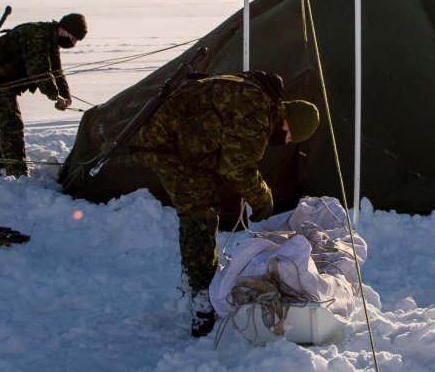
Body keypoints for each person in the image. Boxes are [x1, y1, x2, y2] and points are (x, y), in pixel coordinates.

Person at [134, 71, 320, 338]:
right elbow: (236, 167)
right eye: (291, 137)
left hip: (181, 140)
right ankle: (201, 301)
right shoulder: (258, 115)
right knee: (200, 213)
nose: (286, 142)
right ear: (288, 123)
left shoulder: (258, 100)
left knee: (204, 205)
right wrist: (261, 197)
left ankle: (196, 281)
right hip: (166, 143)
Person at [0, 13, 86, 177]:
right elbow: (39, 71)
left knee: (6, 123)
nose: (73, 43)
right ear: (64, 29)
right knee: (10, 125)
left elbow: (56, 72)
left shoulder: (51, 40)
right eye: (73, 38)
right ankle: (17, 175)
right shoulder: (38, 35)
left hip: (5, 80)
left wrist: (66, 96)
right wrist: (55, 95)